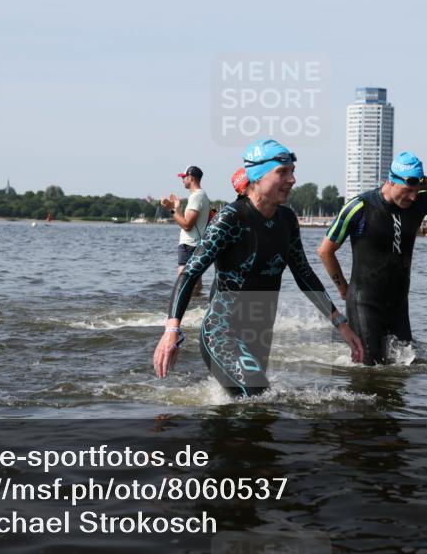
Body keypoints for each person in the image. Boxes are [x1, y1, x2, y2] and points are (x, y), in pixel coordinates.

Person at [152, 139, 362, 397]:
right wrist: (172, 330)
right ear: (257, 176)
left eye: (293, 171)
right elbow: (190, 272)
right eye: (282, 172)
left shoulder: (287, 220)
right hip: (222, 332)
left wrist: (341, 324)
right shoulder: (231, 218)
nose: (292, 179)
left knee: (256, 413)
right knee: (257, 396)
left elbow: (304, 274)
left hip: (260, 333)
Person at [317, 151, 427, 365]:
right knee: (368, 370)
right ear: (391, 180)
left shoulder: (418, 203)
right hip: (365, 302)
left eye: (416, 191)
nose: (412, 197)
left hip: (398, 303)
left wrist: (423, 183)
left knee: (403, 368)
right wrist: (342, 287)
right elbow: (325, 251)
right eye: (408, 190)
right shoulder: (360, 207)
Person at [161, 166, 210, 296]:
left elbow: (187, 225)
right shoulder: (201, 195)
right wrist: (176, 208)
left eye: (183, 177)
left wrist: (171, 210)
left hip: (189, 244)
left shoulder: (196, 197)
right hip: (196, 243)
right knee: (196, 283)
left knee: (184, 281)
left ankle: (182, 311)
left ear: (191, 178)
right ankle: (195, 308)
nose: (182, 180)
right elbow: (186, 222)